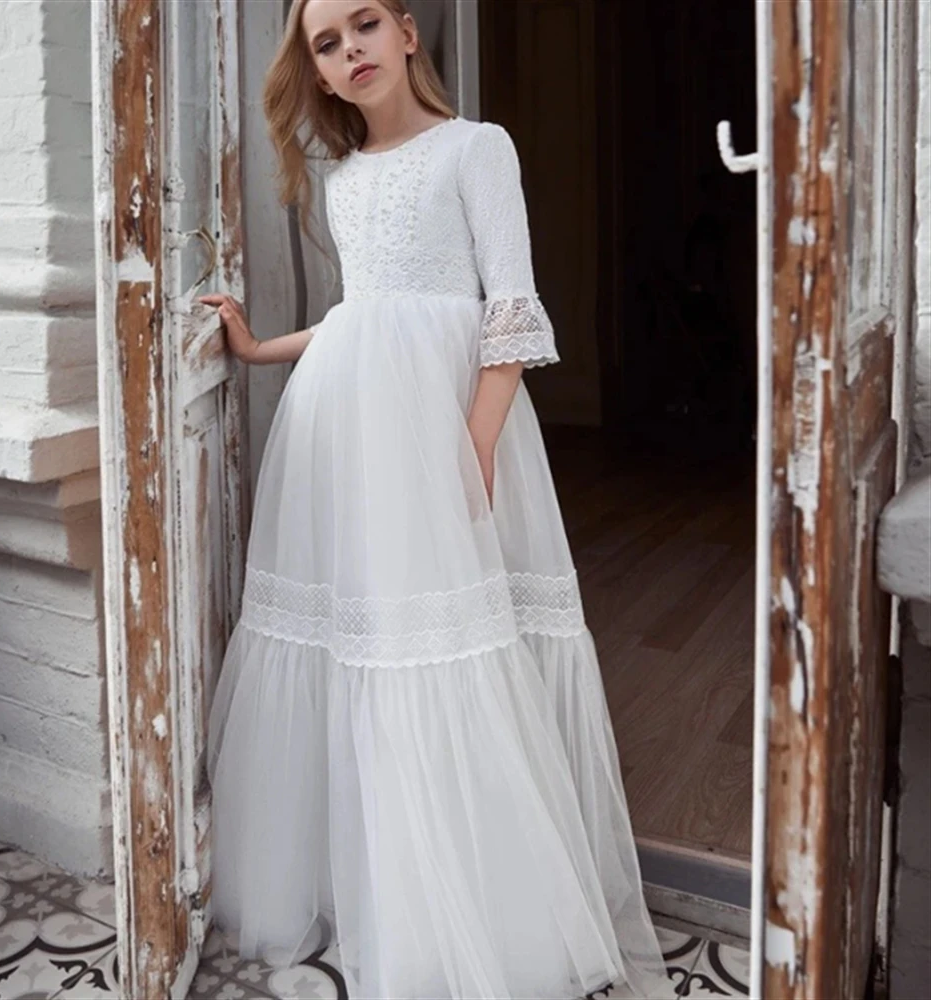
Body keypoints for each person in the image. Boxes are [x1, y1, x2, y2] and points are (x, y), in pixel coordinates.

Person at [200, 2, 669, 997]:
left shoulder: (475, 148)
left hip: (449, 433)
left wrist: (473, 449)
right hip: (347, 428)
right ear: (319, 76)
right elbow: (357, 318)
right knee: (366, 636)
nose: (349, 51)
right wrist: (254, 348)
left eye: (362, 24)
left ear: (408, 33)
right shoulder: (342, 177)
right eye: (325, 45)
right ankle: (383, 880)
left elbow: (507, 312)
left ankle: (484, 898)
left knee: (454, 642)